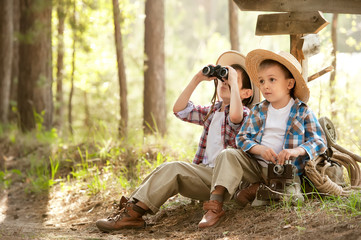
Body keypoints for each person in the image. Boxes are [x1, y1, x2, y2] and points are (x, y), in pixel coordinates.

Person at [95, 50, 255, 232]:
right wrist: (197, 79)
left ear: (246, 93)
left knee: (197, 161)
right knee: (171, 167)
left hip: (227, 181)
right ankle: (133, 213)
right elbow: (180, 109)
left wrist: (233, 80)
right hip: (206, 176)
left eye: (232, 81)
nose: (225, 83)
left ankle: (133, 213)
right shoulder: (212, 112)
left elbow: (235, 116)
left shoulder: (245, 113)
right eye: (223, 80)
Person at [219, 49, 327, 210]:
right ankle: (220, 198)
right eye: (261, 81)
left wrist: (297, 151)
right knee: (228, 153)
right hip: (257, 167)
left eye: (272, 80)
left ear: (289, 84)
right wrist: (259, 149)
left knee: (291, 198)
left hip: (287, 171)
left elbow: (319, 141)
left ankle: (260, 189)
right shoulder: (258, 110)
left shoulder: (302, 111)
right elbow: (242, 138)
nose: (265, 86)